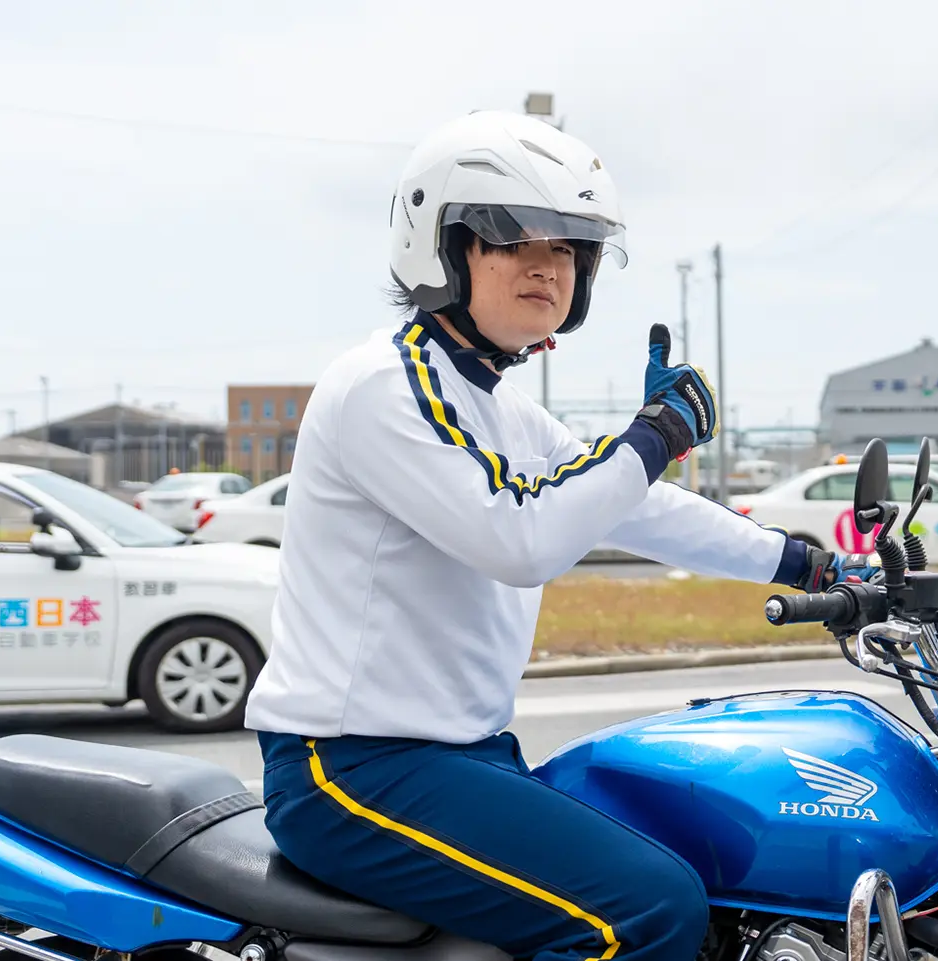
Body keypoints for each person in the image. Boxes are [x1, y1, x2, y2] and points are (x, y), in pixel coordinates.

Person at [245, 111, 872, 961]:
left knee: (702, 845)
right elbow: (521, 537)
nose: (548, 264)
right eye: (513, 239)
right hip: (354, 770)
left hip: (463, 757)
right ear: (443, 245)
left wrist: (808, 561)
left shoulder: (501, 405)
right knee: (650, 910)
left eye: (571, 248)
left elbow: (630, 504)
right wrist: (654, 436)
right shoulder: (385, 386)